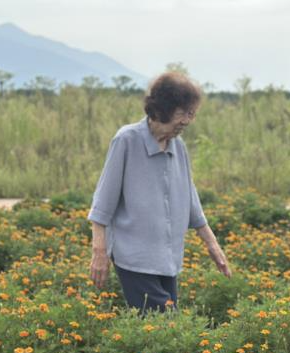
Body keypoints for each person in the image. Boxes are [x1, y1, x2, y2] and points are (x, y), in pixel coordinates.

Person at [88, 71, 231, 312]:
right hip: (135, 258)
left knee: (161, 330)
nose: (187, 121)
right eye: (183, 112)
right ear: (164, 108)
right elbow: (103, 202)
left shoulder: (178, 146)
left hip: (168, 259)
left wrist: (212, 244)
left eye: (192, 114)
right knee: (168, 323)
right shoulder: (127, 140)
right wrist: (99, 252)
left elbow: (190, 198)